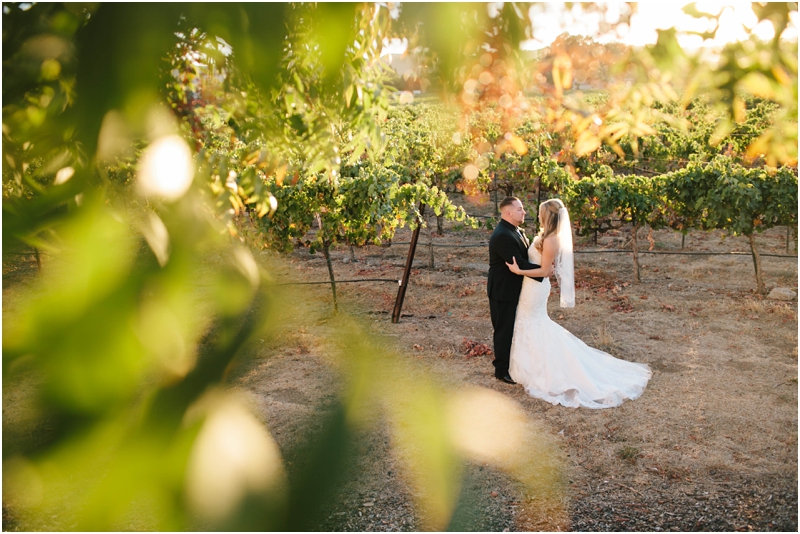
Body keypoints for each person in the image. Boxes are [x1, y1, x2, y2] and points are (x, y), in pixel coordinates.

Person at [505, 198, 652, 408]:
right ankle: (526, 366)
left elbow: (545, 271)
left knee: (534, 322)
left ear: (547, 216)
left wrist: (519, 271)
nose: (537, 215)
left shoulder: (551, 240)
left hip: (536, 287)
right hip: (530, 286)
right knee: (528, 321)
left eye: (540, 213)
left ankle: (543, 369)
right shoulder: (546, 235)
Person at [487, 196, 548, 384]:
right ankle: (501, 370)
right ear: (508, 213)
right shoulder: (503, 235)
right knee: (504, 330)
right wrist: (543, 272)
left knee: (512, 328)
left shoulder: (515, 230)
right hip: (503, 291)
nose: (524, 212)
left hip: (514, 288)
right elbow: (519, 264)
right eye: (520, 209)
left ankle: (513, 363)